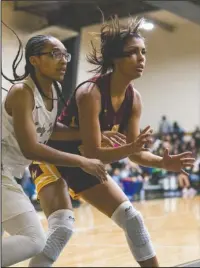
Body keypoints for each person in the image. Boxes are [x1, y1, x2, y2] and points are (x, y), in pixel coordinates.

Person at [29, 16, 195, 267]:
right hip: (52, 157)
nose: (141, 58)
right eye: (133, 53)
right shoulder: (91, 93)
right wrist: (131, 148)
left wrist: (162, 162)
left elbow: (136, 154)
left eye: (144, 52)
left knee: (133, 219)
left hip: (85, 162)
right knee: (62, 228)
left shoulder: (134, 98)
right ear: (115, 60)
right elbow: (96, 150)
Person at [1, 22, 111, 267]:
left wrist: (94, 134)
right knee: (33, 239)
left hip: (10, 173)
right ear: (35, 60)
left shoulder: (53, 89)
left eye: (65, 54)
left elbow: (50, 131)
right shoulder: (22, 92)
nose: (64, 60)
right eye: (55, 54)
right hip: (2, 171)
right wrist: (82, 160)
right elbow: (31, 148)